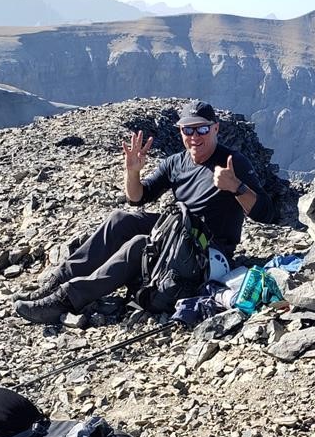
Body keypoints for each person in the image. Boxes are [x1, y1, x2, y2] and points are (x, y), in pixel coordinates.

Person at [14, 100, 274, 324]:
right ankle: (56, 281)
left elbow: (265, 213)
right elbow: (137, 199)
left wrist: (236, 186)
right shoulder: (176, 162)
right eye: (188, 130)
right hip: (178, 232)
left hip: (210, 252)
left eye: (203, 129)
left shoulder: (233, 163)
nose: (195, 137)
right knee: (121, 219)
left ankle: (65, 299)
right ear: (181, 131)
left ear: (216, 128)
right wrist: (133, 171)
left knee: (141, 245)